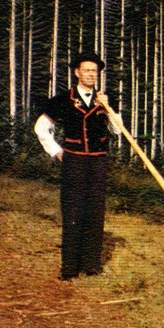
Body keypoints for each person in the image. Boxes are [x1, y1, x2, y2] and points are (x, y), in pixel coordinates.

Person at [34, 52, 118, 280]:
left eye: (95, 71)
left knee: (95, 211)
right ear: (77, 72)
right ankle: (70, 268)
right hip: (74, 161)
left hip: (98, 161)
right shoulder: (63, 99)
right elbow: (41, 127)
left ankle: (91, 265)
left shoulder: (105, 100)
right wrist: (57, 151)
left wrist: (108, 109)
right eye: (87, 70)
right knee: (73, 211)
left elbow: (118, 131)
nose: (91, 74)